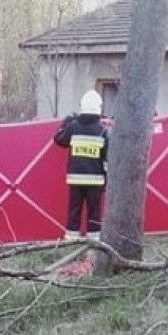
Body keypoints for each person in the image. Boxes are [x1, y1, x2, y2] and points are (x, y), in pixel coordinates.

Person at [53, 89, 110, 241]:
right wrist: (107, 179)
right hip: (96, 181)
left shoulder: (73, 127)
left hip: (76, 180)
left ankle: (71, 238)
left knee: (74, 210)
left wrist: (65, 123)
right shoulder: (103, 131)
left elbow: (59, 139)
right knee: (94, 211)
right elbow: (107, 158)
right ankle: (94, 240)